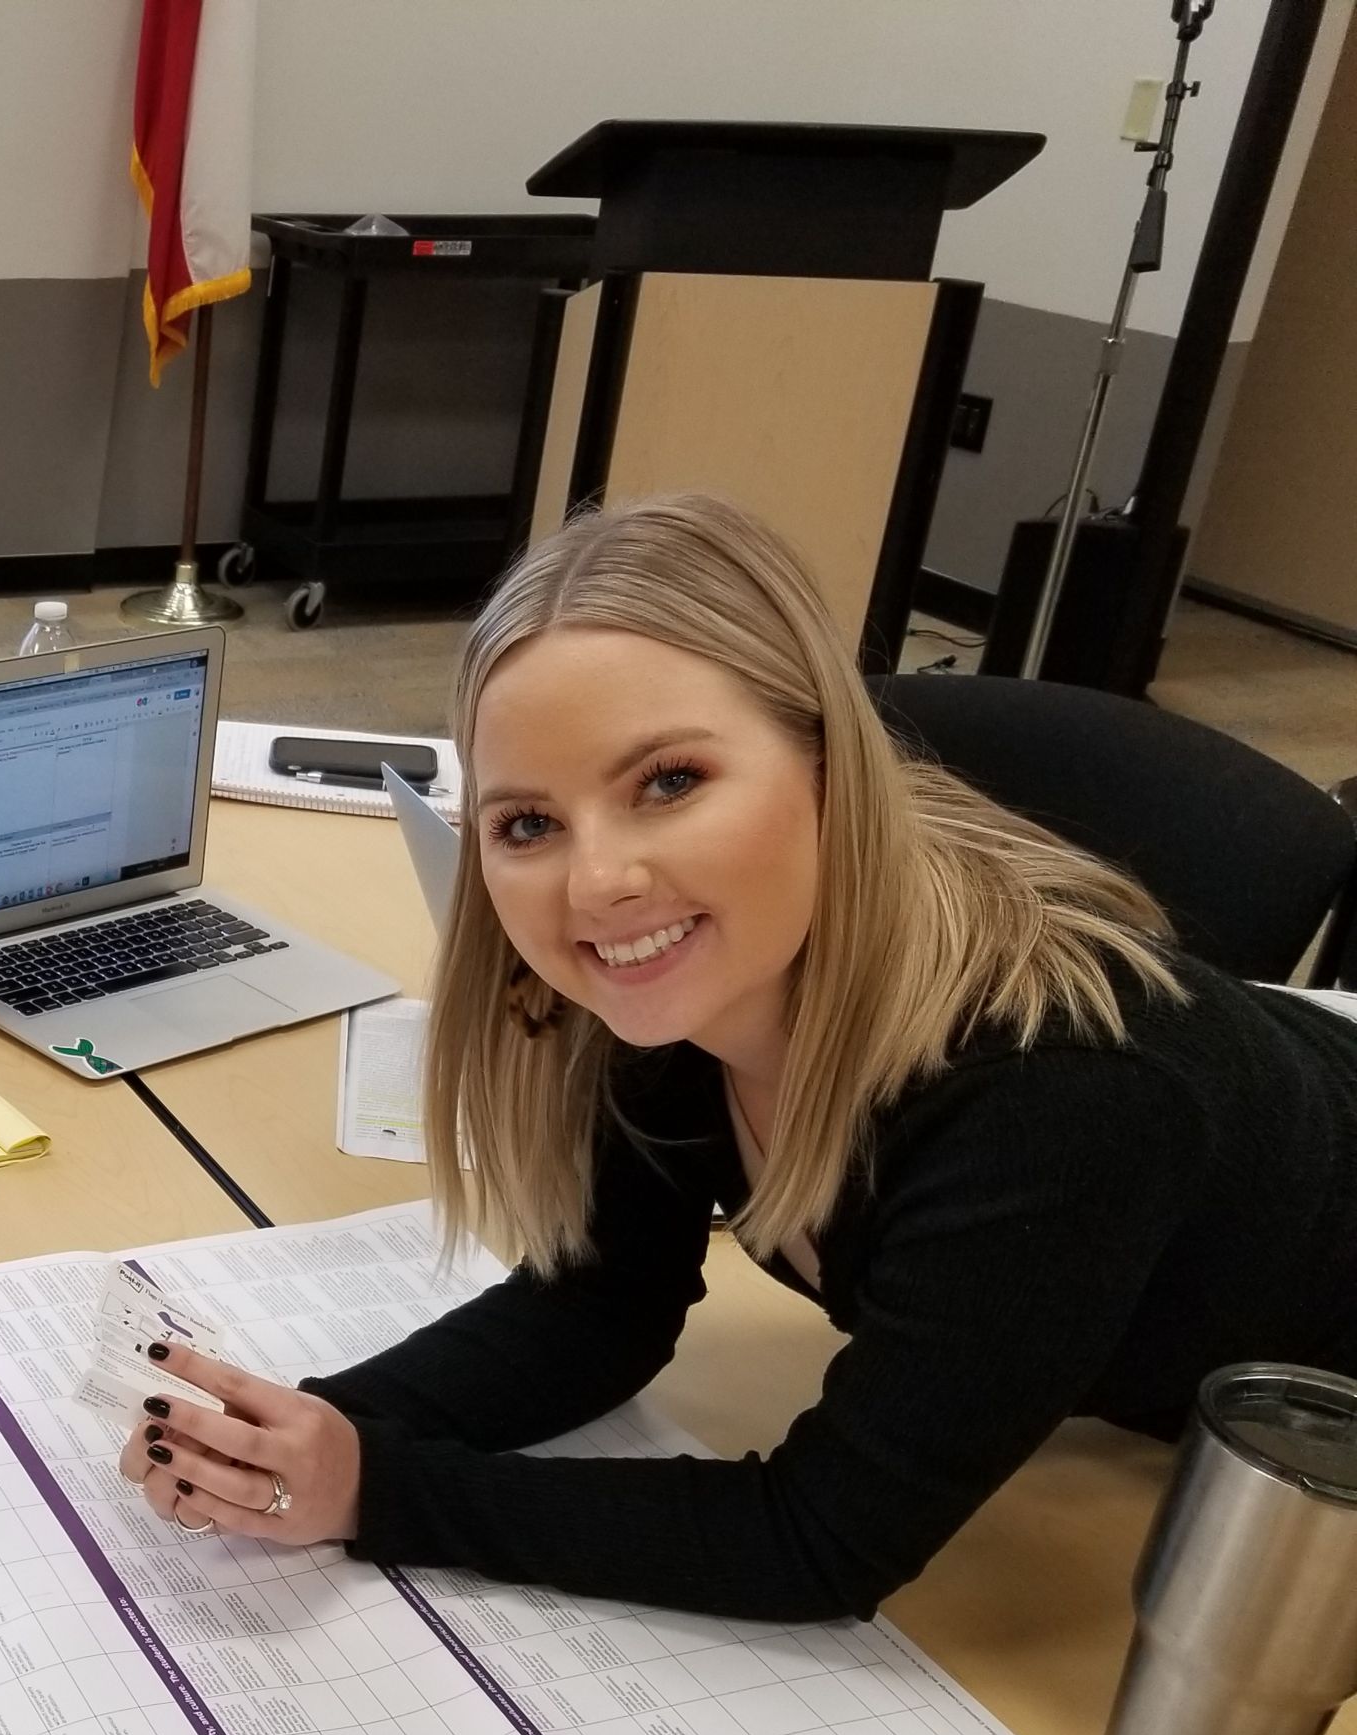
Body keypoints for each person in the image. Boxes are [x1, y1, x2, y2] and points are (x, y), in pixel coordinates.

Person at [119, 492, 1357, 1624]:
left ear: (828, 767)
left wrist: (380, 1493)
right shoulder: (673, 991)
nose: (597, 882)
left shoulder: (1063, 1092)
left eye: (669, 780)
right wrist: (303, 1430)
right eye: (529, 823)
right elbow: (598, 1308)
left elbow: (818, 1542)